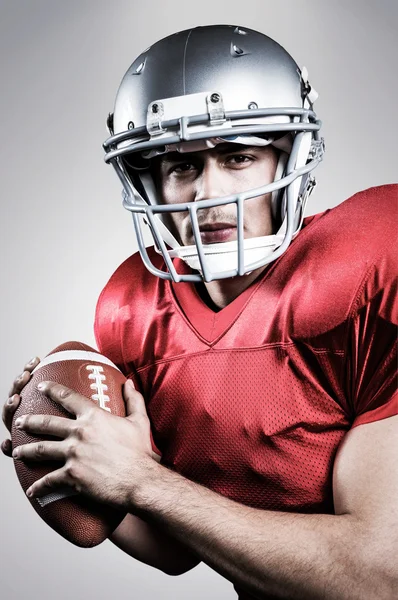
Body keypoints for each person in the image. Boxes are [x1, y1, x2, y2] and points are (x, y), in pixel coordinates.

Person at [2, 25, 397, 600]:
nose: (207, 192)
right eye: (181, 167)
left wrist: (140, 479)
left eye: (237, 156)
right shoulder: (133, 311)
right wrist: (73, 459)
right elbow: (176, 549)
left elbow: (379, 575)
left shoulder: (371, 264)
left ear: (291, 160)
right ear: (150, 181)